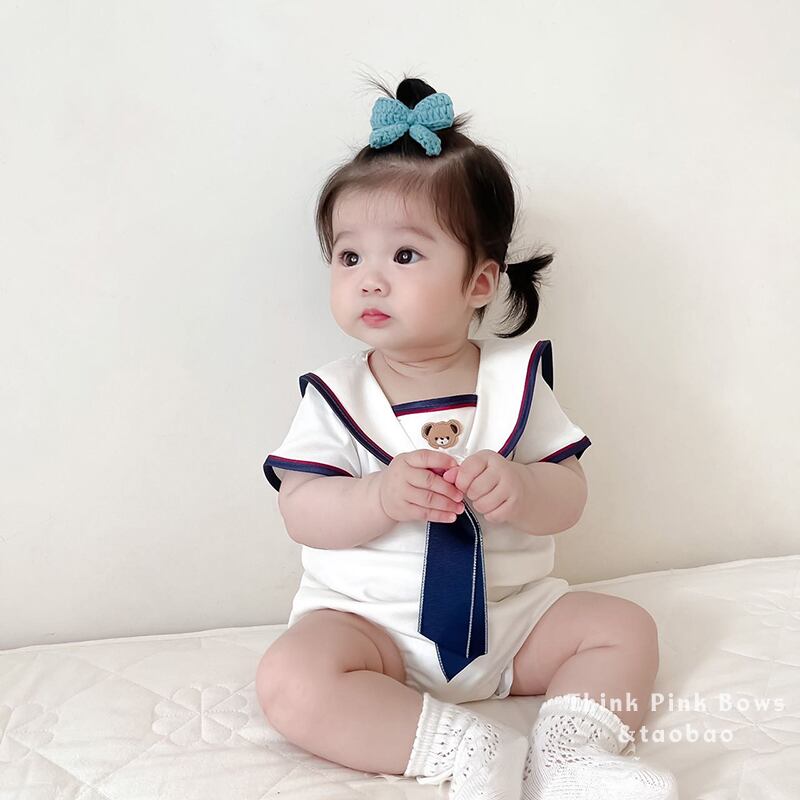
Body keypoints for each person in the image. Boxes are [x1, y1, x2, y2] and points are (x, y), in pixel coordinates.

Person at [256, 74, 679, 800]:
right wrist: (377, 497)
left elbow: (569, 497)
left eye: (404, 256)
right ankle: (464, 749)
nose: (369, 280)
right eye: (349, 257)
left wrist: (523, 488)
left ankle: (572, 752)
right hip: (370, 632)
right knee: (291, 678)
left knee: (624, 627)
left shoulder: (517, 381)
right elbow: (301, 510)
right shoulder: (336, 395)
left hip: (513, 622)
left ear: (480, 283)